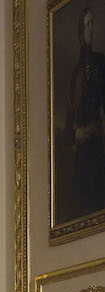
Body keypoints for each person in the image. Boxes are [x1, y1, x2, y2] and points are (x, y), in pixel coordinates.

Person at [68, 7, 105, 218]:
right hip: (82, 154)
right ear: (81, 33)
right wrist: (77, 134)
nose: (91, 29)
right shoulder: (75, 74)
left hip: (99, 148)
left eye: (93, 24)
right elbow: (69, 124)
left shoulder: (102, 63)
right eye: (87, 25)